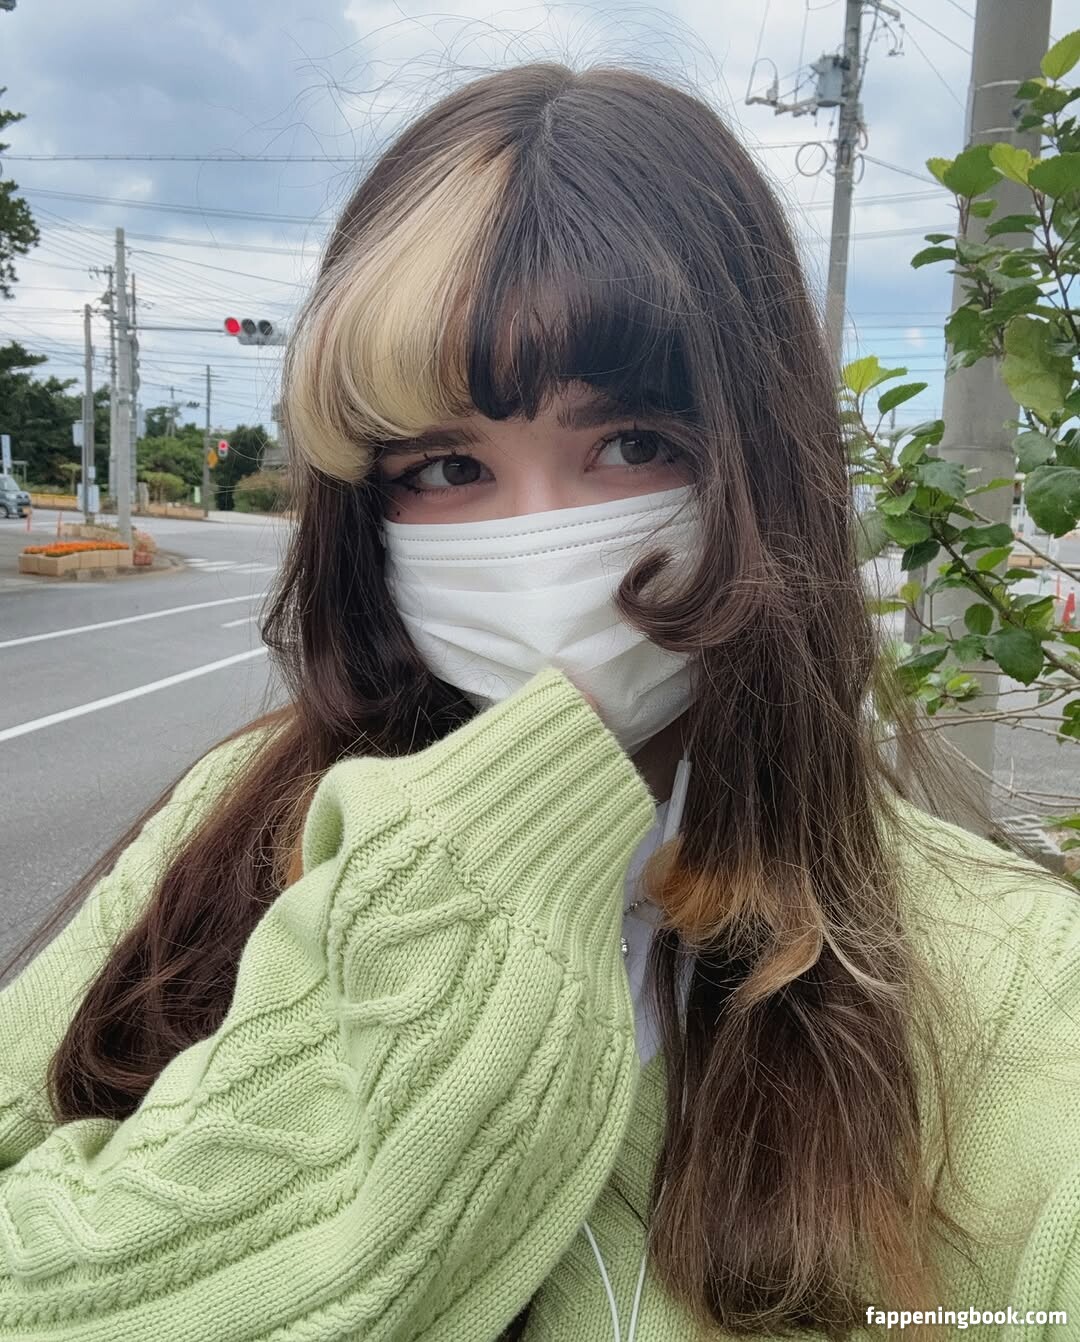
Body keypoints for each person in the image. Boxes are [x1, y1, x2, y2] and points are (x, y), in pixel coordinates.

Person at [0, 61, 1078, 1342]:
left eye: (632, 444)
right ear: (367, 510)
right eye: (446, 466)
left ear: (764, 470)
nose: (541, 548)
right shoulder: (232, 827)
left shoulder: (1021, 991)